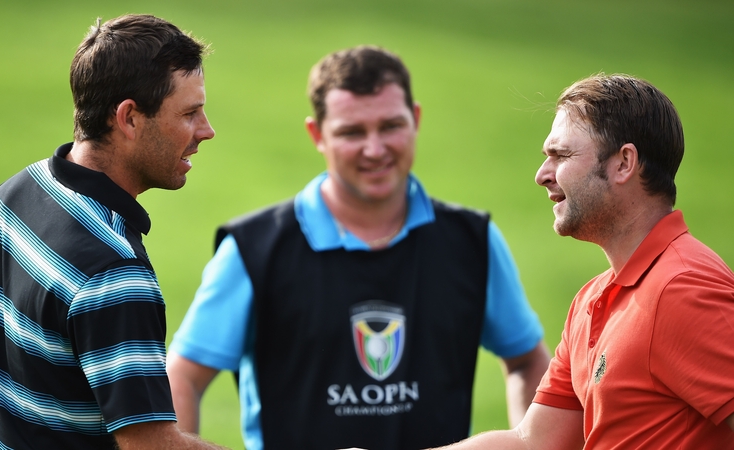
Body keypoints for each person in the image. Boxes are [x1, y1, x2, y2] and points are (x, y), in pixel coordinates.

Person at [166, 45, 551, 450]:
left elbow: (527, 361)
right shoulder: (254, 250)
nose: (375, 149)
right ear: (317, 135)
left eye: (390, 126)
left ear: (416, 120)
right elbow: (183, 377)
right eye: (352, 132)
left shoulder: (472, 240)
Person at [0, 14, 227, 450]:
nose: (206, 131)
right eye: (190, 113)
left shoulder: (8, 198)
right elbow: (149, 445)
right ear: (129, 118)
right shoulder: (114, 272)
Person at [426, 74, 734, 449]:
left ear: (624, 163)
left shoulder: (683, 287)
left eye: (561, 156)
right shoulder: (592, 300)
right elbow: (532, 443)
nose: (542, 175)